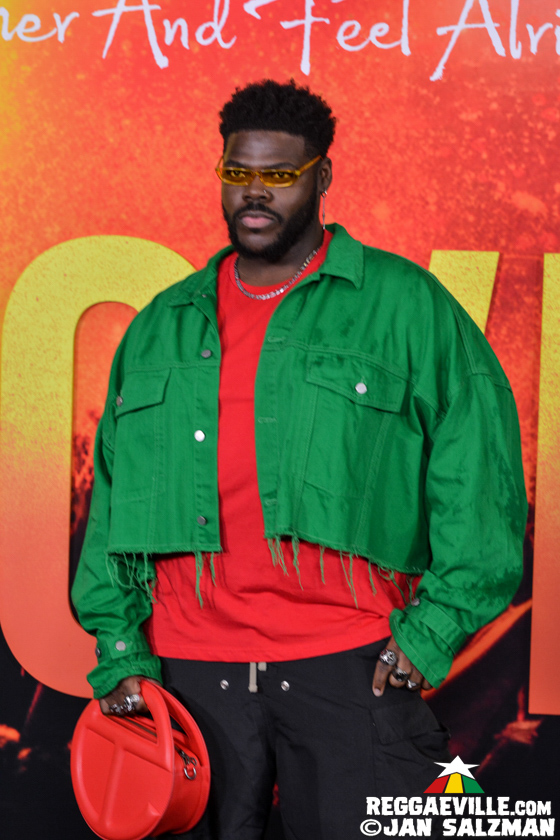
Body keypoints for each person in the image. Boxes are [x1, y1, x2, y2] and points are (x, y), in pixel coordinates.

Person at [72, 79, 527, 839]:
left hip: (351, 668)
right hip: (189, 677)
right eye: (238, 172)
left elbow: (478, 471)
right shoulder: (160, 326)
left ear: (323, 176)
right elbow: (112, 506)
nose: (254, 192)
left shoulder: (405, 305)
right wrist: (120, 647)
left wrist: (436, 627)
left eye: (279, 174)